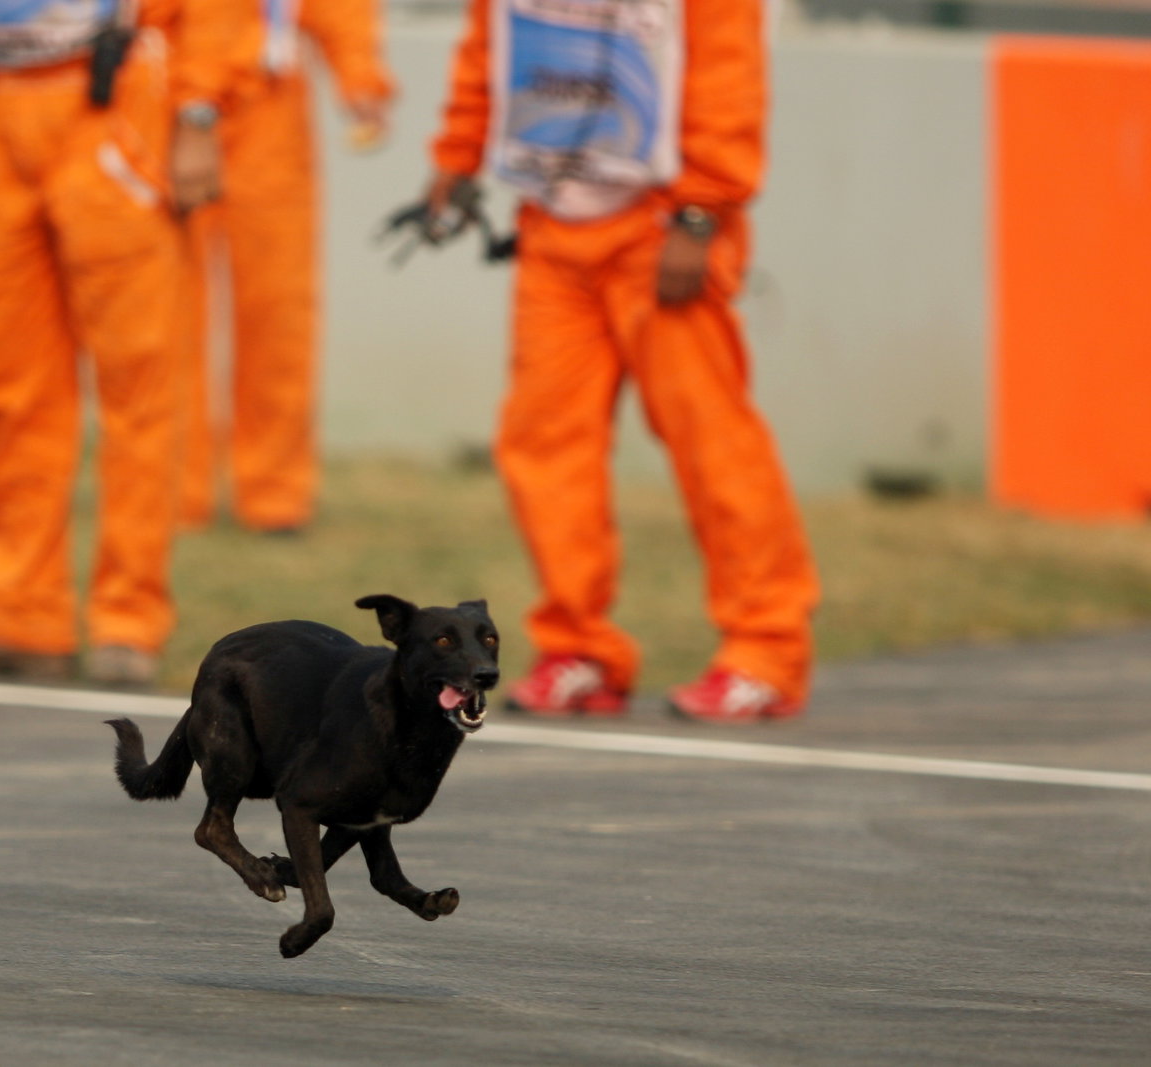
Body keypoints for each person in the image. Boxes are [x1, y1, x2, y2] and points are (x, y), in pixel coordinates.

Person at [422, 0, 820, 722]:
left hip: (661, 228)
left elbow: (728, 73)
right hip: (551, 228)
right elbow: (493, 42)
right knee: (544, 444)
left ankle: (767, 649)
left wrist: (703, 211)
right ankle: (578, 649)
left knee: (711, 443)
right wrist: (456, 153)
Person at [0, 0, 245, 685]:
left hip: (111, 110)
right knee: (4, 395)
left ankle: (128, 622)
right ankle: (18, 617)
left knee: (138, 396)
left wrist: (199, 115)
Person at [177, 0, 394, 534]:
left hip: (270, 108)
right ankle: (172, 490)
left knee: (279, 315)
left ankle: (274, 494)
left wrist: (360, 75)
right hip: (171, 110)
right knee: (169, 315)